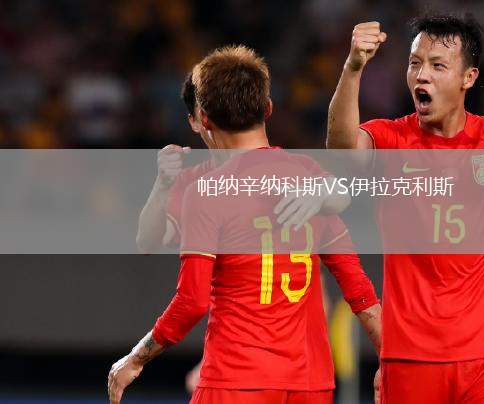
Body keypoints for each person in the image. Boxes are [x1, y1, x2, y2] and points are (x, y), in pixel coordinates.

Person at [327, 13, 484, 404]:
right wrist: (353, 68)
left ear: (468, 78)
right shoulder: (390, 138)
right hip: (411, 356)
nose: (421, 76)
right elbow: (342, 148)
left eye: (437, 65)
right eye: (415, 63)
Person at [109, 45, 382, 404]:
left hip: (236, 379)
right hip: (310, 383)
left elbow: (191, 301)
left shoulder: (206, 192)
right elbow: (357, 286)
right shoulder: (310, 181)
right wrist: (388, 358)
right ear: (268, 108)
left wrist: (136, 358)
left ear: (201, 119)